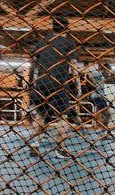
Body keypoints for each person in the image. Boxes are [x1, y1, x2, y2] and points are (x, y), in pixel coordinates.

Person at [28, 14, 82, 159]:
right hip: (58, 84)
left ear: (52, 27)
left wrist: (32, 82)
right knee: (62, 117)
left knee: (40, 115)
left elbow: (33, 62)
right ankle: (60, 149)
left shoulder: (42, 41)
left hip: (41, 83)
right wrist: (78, 86)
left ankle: (34, 145)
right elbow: (74, 66)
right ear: (66, 28)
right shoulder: (69, 44)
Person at [86, 63, 113, 140]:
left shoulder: (102, 77)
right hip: (97, 97)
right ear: (103, 69)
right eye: (107, 70)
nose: (108, 72)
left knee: (107, 115)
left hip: (100, 97)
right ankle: (101, 131)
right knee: (107, 114)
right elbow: (89, 74)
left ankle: (103, 132)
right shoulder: (98, 74)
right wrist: (94, 83)